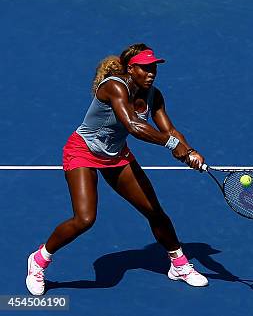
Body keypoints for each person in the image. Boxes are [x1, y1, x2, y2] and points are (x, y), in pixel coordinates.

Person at [26, 43, 208, 296]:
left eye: (153, 66)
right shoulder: (114, 86)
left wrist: (189, 151)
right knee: (85, 219)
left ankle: (178, 264)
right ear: (131, 69)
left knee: (154, 211)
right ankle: (39, 260)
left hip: (116, 155)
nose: (151, 72)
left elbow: (170, 129)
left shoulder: (155, 95)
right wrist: (172, 144)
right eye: (145, 68)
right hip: (82, 152)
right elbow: (133, 125)